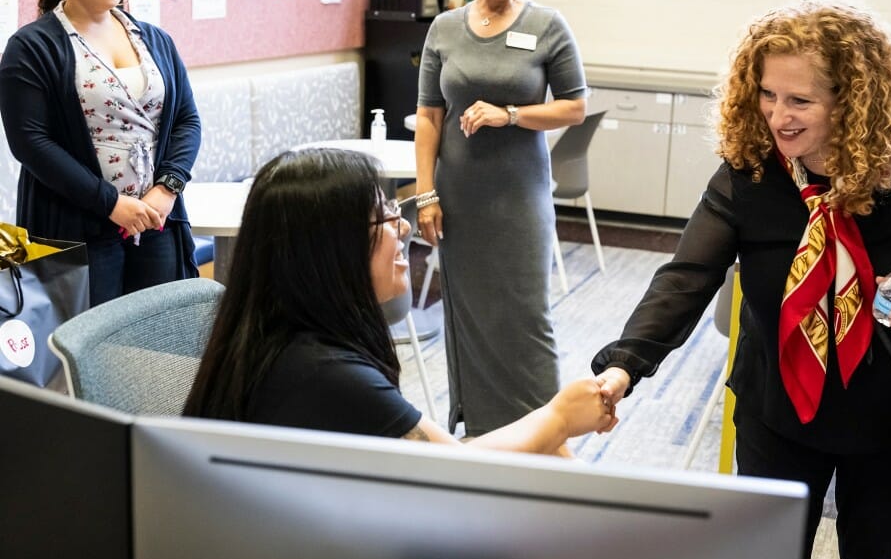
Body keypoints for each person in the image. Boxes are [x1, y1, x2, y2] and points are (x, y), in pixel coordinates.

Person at [592, 0, 891, 559]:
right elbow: (687, 276)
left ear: (853, 102)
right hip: (777, 409)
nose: (777, 115)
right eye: (767, 94)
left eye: (799, 100)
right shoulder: (751, 170)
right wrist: (625, 363)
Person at [184, 148, 615, 454]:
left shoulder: (280, 335)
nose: (403, 229)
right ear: (331, 250)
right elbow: (456, 472)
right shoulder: (325, 373)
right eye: (385, 218)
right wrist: (559, 417)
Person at [415, 0, 587, 436]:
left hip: (519, 199)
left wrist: (508, 114)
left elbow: (575, 108)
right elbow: (428, 115)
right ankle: (484, 433)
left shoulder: (547, 25)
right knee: (467, 317)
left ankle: (543, 432)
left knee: (525, 316)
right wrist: (425, 195)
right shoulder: (444, 29)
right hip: (459, 200)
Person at [0, 0, 201, 307]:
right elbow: (31, 144)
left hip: (155, 221)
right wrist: (110, 203)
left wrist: (169, 187)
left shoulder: (155, 40)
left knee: (157, 342)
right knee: (87, 348)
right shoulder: (33, 47)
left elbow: (186, 121)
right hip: (78, 227)